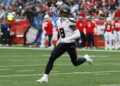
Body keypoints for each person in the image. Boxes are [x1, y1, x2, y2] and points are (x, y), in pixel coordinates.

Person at [36, 4, 93, 83]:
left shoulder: (70, 21)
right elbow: (62, 34)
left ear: (68, 13)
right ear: (60, 12)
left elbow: (78, 34)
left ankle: (86, 59)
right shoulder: (58, 21)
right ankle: (45, 77)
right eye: (63, 13)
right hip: (62, 44)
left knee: (75, 63)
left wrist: (68, 39)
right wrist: (60, 40)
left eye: (66, 13)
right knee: (52, 58)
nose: (64, 14)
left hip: (71, 44)